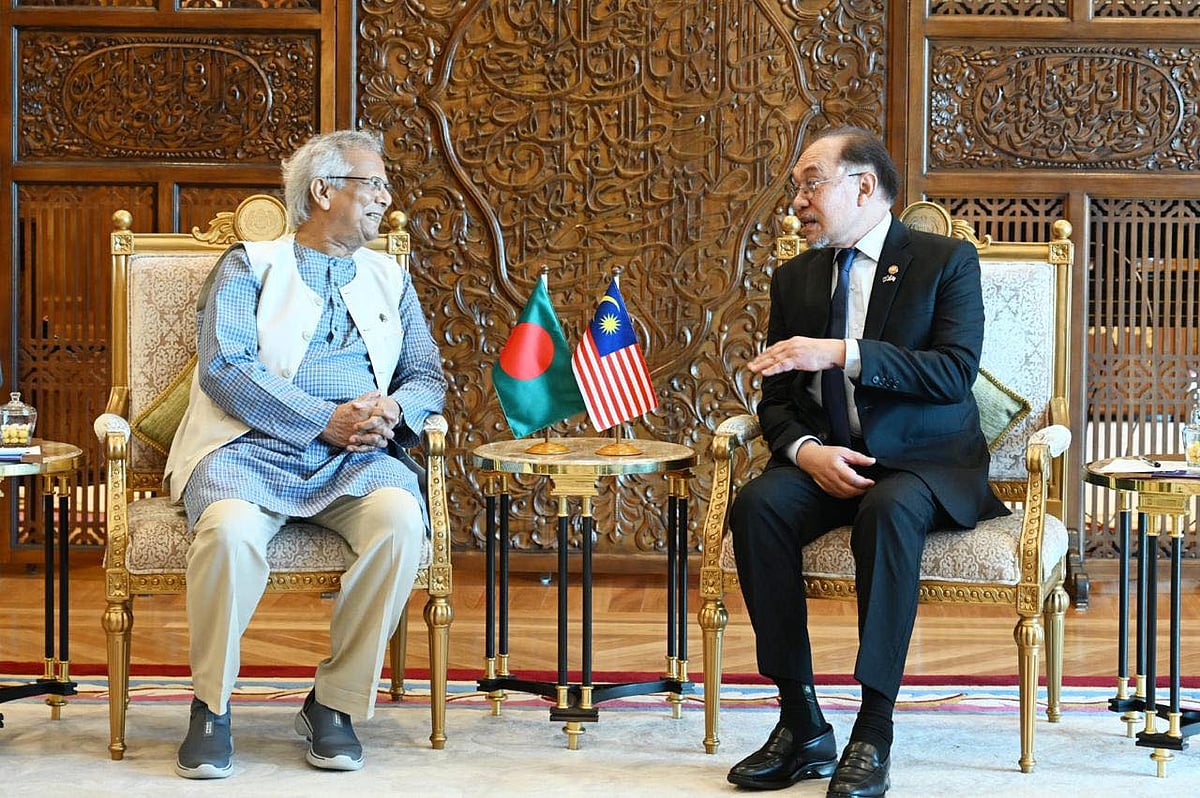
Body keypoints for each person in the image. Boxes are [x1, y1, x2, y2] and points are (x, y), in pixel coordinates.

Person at [725, 126, 1006, 797]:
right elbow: (777, 403)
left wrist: (839, 353)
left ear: (864, 186)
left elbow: (952, 373)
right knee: (758, 506)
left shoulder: (944, 262)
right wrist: (807, 452)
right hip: (831, 463)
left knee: (888, 507)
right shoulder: (794, 278)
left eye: (810, 181)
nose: (796, 199)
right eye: (796, 186)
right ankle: (801, 723)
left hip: (924, 465)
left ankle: (873, 732)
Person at [164, 130, 447, 779]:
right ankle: (210, 707)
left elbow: (427, 372)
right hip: (250, 449)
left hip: (359, 458)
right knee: (230, 532)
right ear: (323, 191)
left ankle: (334, 703)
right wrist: (324, 420)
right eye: (372, 184)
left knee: (402, 522)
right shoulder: (250, 264)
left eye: (383, 185)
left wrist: (393, 411)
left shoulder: (388, 274)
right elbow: (227, 369)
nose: (385, 196)